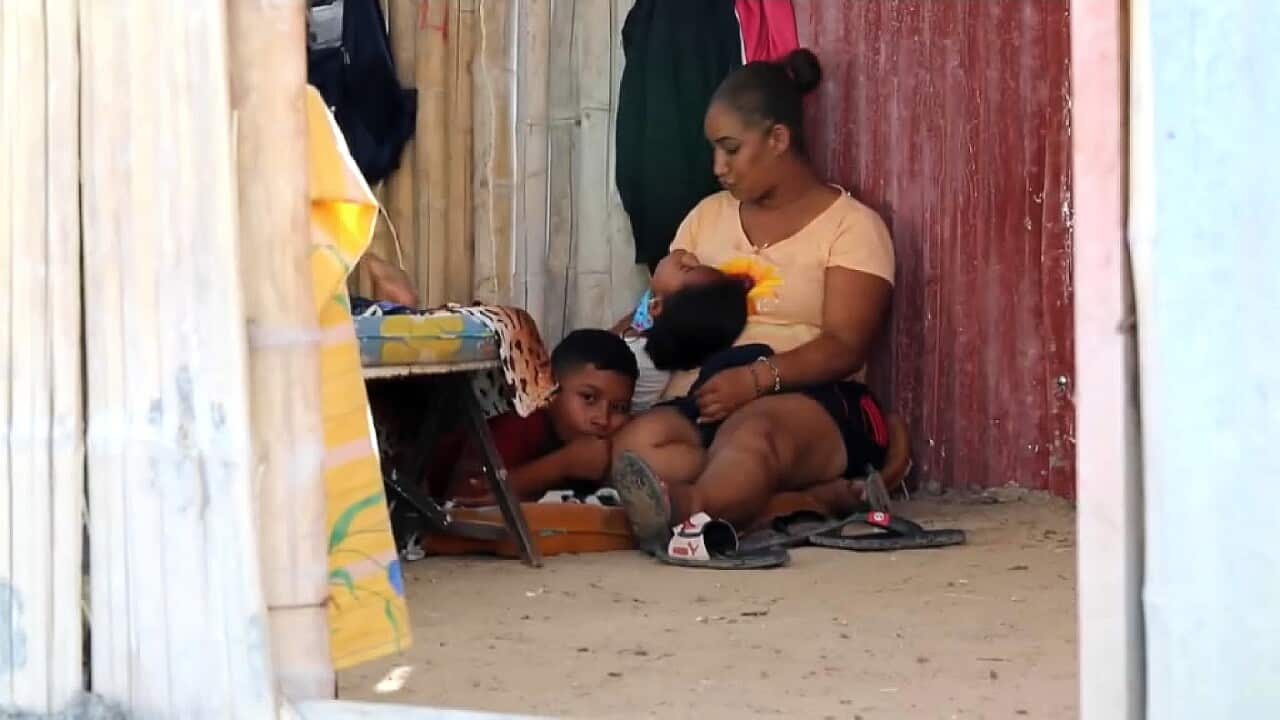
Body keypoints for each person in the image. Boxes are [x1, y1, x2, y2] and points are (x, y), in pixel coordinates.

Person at [609, 48, 896, 556]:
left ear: (778, 139)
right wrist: (635, 324)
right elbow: (654, 307)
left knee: (751, 435)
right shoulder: (706, 217)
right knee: (638, 443)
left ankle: (685, 510)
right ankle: (790, 502)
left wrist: (757, 380)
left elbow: (846, 346)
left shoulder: (853, 227)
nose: (718, 166)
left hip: (810, 400)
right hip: (705, 399)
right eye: (713, 150)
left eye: (730, 149)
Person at [432, 328, 639, 504]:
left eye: (619, 408)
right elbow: (463, 498)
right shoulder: (522, 421)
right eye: (588, 397)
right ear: (550, 388)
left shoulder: (613, 441)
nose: (602, 419)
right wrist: (561, 465)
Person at [612, 253, 752, 412]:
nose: (689, 257)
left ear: (656, 307)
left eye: (685, 269)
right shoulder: (656, 351)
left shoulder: (632, 359)